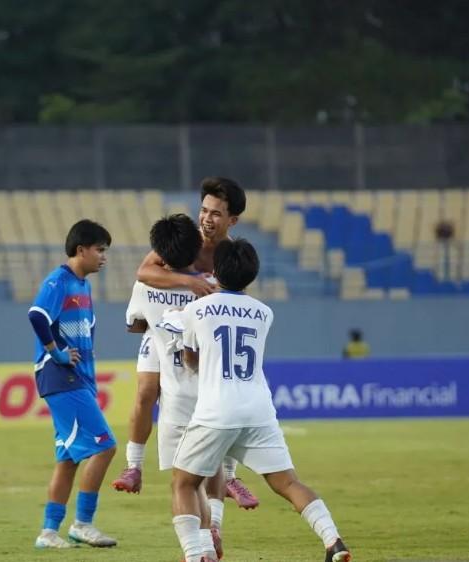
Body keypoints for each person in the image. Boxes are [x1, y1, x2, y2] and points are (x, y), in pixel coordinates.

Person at [171, 239, 351, 562]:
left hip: (217, 409)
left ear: (215, 271)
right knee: (288, 483)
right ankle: (333, 540)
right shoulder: (264, 313)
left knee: (184, 483)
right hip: (258, 410)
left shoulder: (195, 310)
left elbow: (191, 360)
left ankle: (197, 555)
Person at [113, 177, 260, 511]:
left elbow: (237, 297)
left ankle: (229, 475)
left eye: (216, 214)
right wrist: (189, 282)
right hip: (162, 331)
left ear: (232, 220)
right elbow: (144, 271)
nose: (207, 219)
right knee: (146, 390)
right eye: (204, 210)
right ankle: (134, 465)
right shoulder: (188, 241)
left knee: (216, 404)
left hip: (203, 335)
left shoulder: (229, 253)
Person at [124, 214, 227, 560]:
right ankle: (209, 541)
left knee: (184, 484)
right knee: (200, 477)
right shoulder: (214, 285)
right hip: (214, 394)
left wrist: (159, 324)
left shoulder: (147, 286)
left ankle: (197, 553)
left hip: (177, 400)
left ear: (161, 255)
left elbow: (134, 324)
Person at [27, 219, 118, 549]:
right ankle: (83, 523)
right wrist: (57, 353)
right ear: (81, 250)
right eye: (100, 250)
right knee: (106, 446)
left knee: (67, 459)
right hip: (61, 376)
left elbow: (86, 332)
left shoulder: (83, 285)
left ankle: (48, 532)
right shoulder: (59, 282)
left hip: (78, 379)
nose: (103, 256)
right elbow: (37, 315)